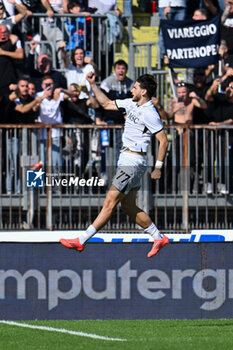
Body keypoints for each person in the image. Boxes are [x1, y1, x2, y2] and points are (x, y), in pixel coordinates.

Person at [60, 73, 169, 258]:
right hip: (128, 160)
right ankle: (158, 237)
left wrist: (158, 167)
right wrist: (93, 84)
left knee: (109, 202)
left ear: (143, 91)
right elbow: (106, 104)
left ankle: (82, 240)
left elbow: (163, 141)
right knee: (127, 206)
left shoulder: (150, 113)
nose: (131, 89)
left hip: (133, 162)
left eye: (134, 87)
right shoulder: (132, 103)